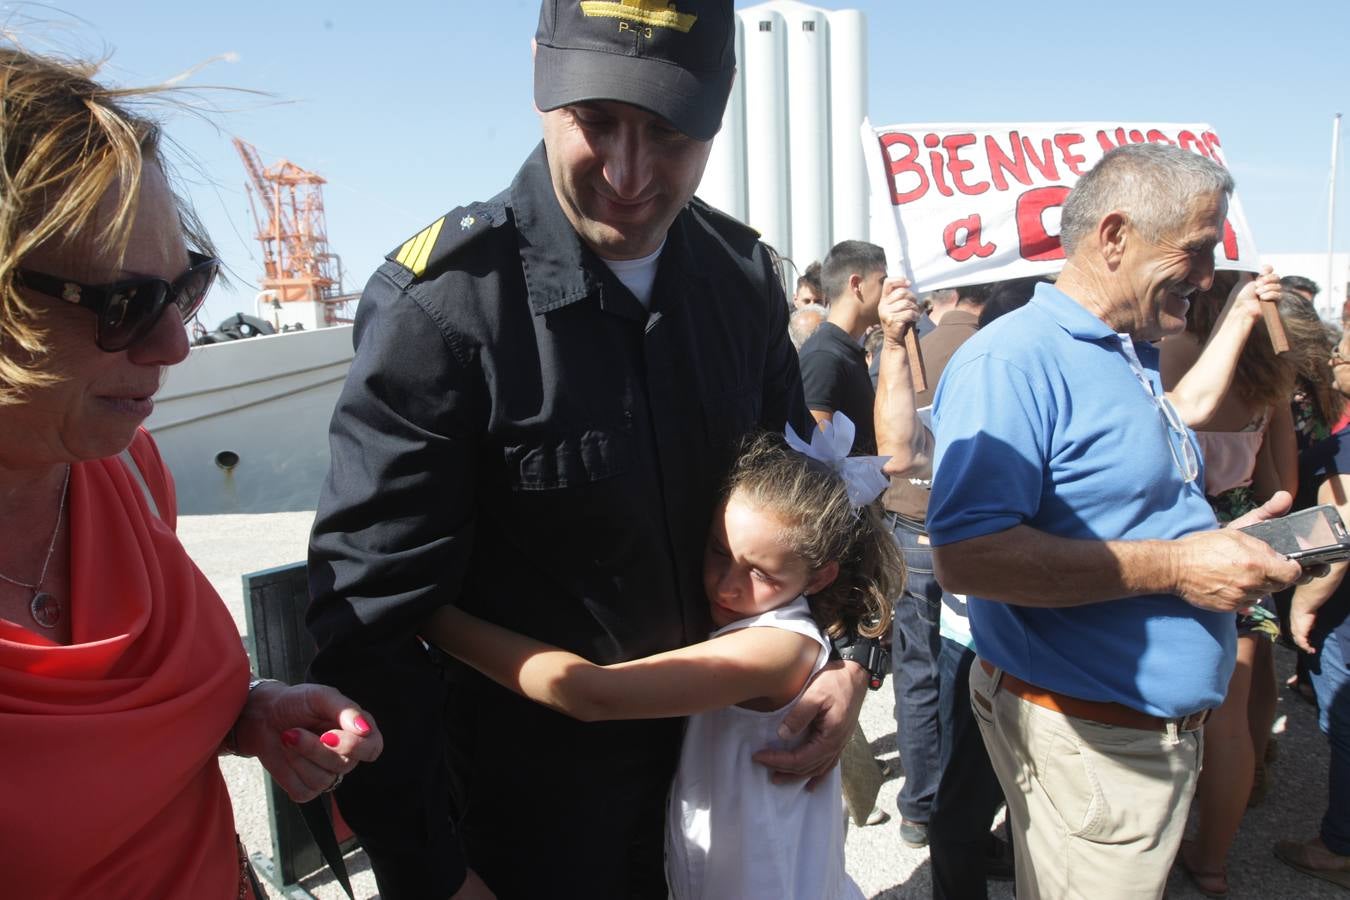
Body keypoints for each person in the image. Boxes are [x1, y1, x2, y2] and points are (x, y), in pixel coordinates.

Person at [305, 4, 880, 898]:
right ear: (542, 81)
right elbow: (366, 626)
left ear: (717, 113)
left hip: (729, 808)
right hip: (538, 836)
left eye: (668, 131)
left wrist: (848, 664)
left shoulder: (741, 284)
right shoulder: (446, 309)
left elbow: (811, 507)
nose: (628, 172)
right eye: (597, 120)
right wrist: (433, 871)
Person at [0, 45, 383, 899]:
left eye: (186, 287)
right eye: (122, 304)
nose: (175, 345)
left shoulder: (127, 471)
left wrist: (245, 712)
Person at [926, 142, 1307, 900]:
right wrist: (1183, 566)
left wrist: (1227, 543)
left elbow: (1166, 432)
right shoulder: (1015, 360)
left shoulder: (1124, 350)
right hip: (1095, 745)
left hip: (1118, 741)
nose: (1205, 273)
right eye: (1197, 250)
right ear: (1114, 236)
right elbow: (965, 556)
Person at [423, 420, 900, 900]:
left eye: (760, 573)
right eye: (718, 551)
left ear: (819, 578)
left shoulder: (777, 649)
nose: (725, 584)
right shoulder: (766, 622)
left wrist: (432, 619)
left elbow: (590, 693)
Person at [1160, 270, 1300, 897]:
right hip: (1246, 548)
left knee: (1169, 719)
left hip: (1180, 551)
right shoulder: (1268, 381)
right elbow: (1281, 489)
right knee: (1236, 721)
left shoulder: (1176, 356)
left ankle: (1154, 855)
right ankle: (1213, 862)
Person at [881, 279, 989, 849]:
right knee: (966, 673)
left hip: (908, 525)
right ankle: (950, 809)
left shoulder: (914, 344)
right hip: (957, 531)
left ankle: (921, 806)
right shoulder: (996, 347)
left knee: (918, 672)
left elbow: (891, 450)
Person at [1276, 327, 1350, 890]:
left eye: (1345, 348)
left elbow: (1339, 531)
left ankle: (1339, 845)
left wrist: (1304, 604)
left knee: (1345, 722)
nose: (1336, 356)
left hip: (1342, 609)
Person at [799, 240, 888, 454]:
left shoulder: (846, 350)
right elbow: (817, 455)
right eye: (882, 282)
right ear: (856, 284)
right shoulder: (824, 356)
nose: (888, 292)